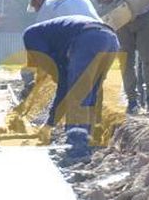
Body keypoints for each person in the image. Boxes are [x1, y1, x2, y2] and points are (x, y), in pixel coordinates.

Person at [16, 14, 122, 163]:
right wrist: (51, 121)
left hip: (88, 39)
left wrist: (48, 124)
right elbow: (63, 84)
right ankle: (90, 139)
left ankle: (77, 148)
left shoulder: (31, 35)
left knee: (78, 95)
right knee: (92, 91)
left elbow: (64, 87)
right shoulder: (52, 37)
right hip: (110, 39)